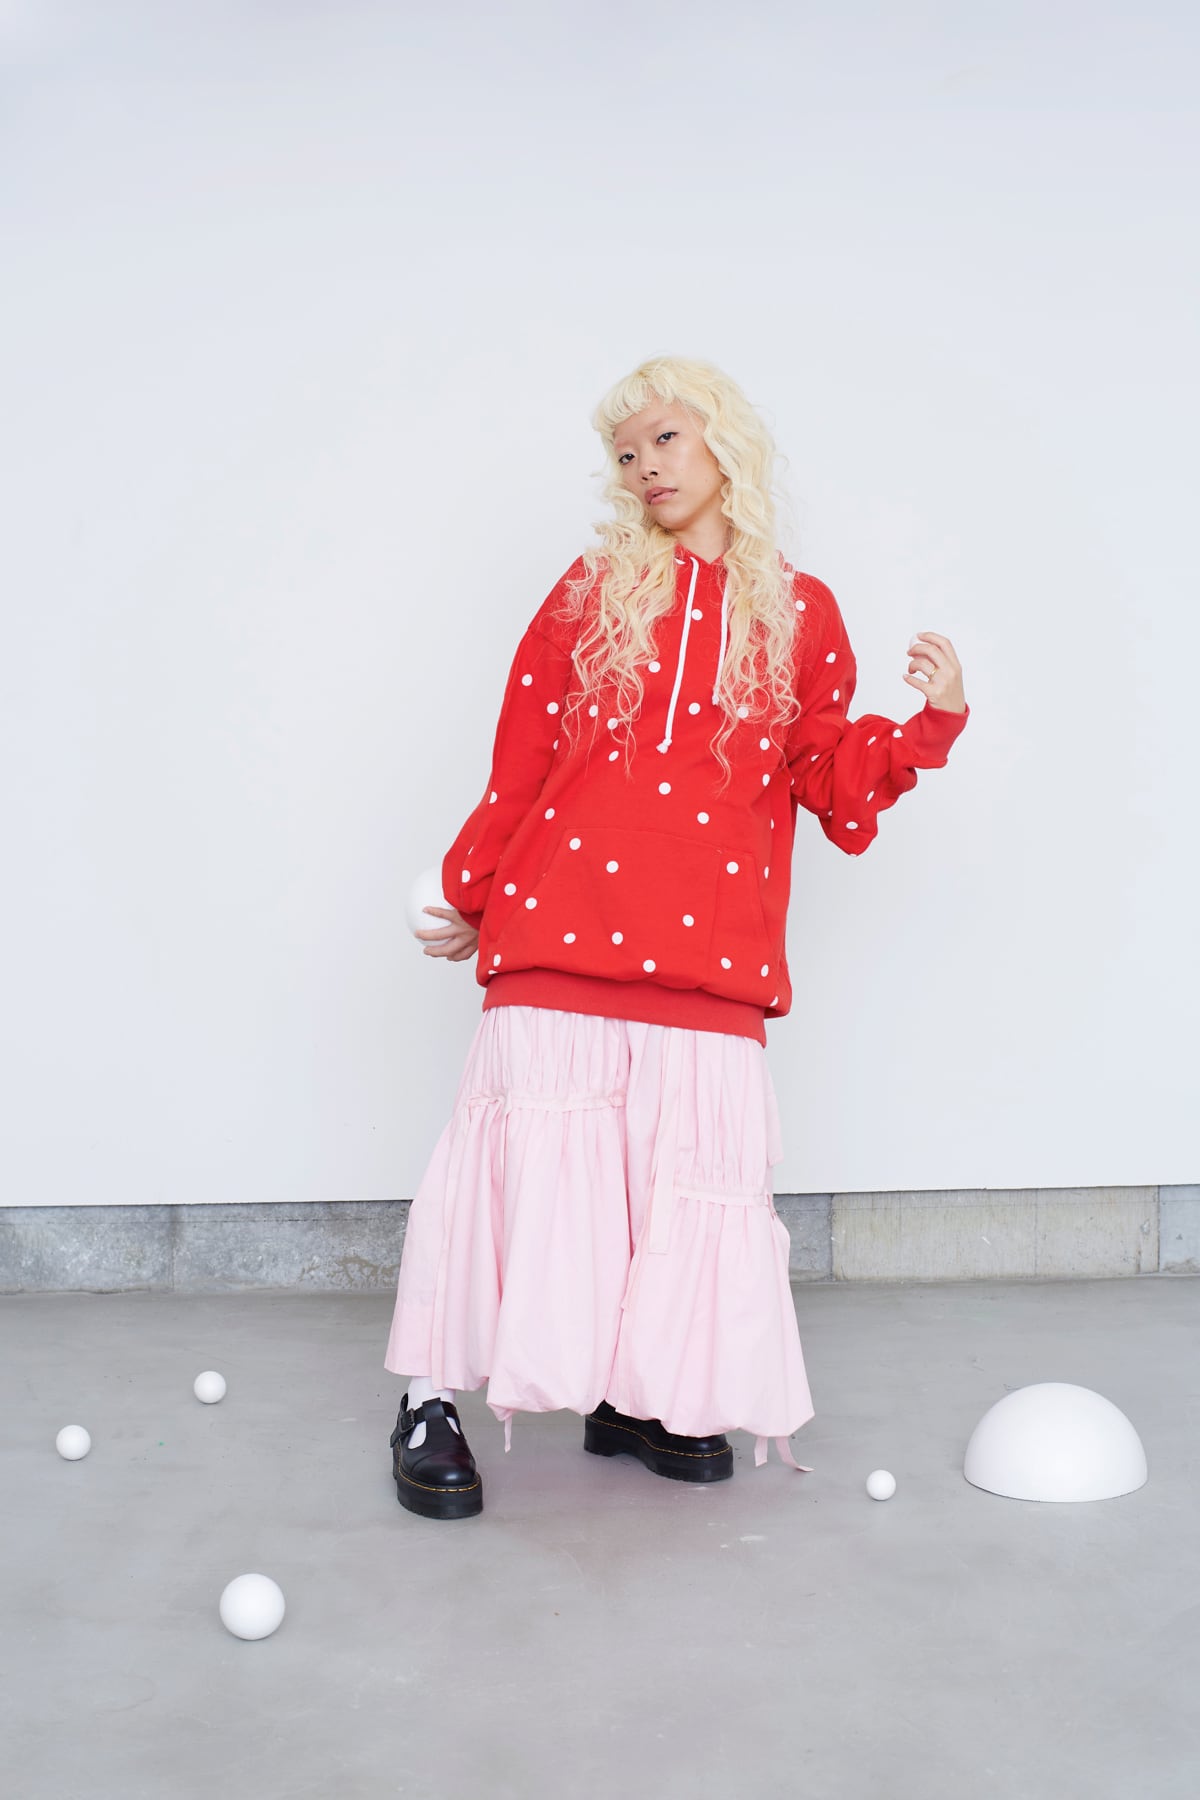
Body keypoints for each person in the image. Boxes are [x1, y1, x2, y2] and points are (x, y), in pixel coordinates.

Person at [384, 354, 969, 1520]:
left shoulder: (802, 613)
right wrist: (473, 893)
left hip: (711, 958)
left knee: (675, 1195)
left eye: (665, 438)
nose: (645, 465)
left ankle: (636, 1398)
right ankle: (425, 1399)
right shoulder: (590, 591)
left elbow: (826, 777)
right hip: (561, 933)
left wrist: (929, 724)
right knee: (517, 1178)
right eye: (626, 452)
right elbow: (524, 757)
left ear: (723, 444)